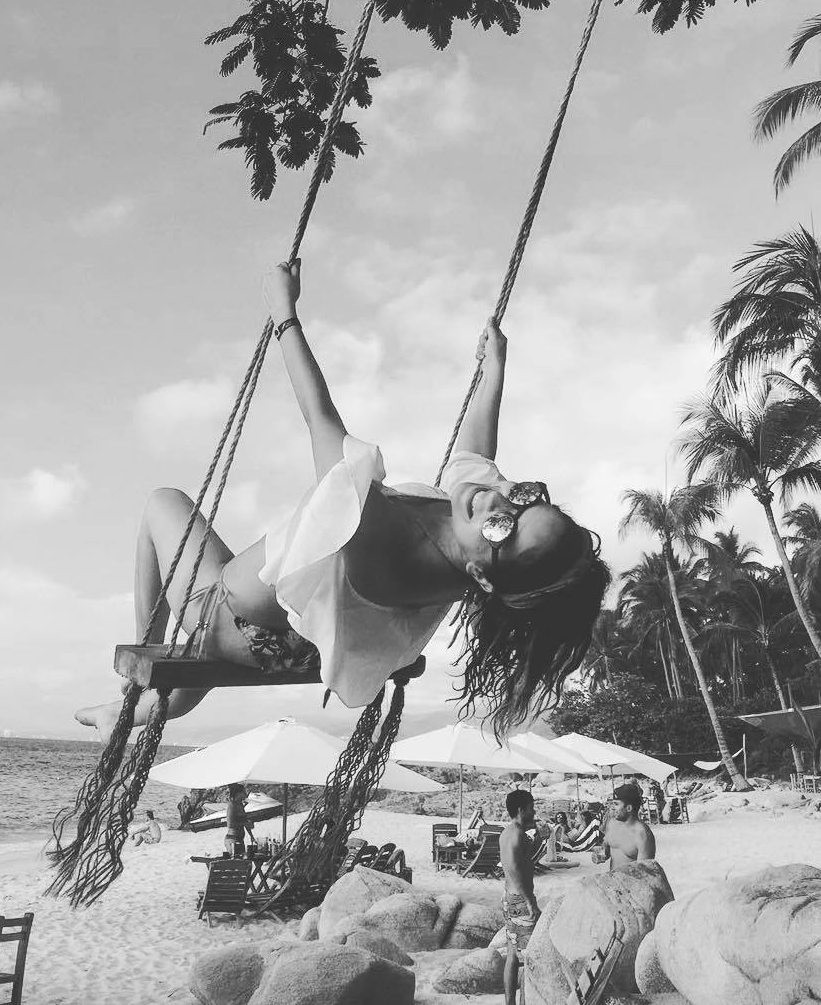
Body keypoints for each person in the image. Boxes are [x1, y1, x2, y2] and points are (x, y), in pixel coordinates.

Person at [75, 260, 611, 743]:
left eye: (504, 529)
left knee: (162, 504)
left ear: (485, 576)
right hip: (300, 638)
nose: (497, 504)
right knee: (215, 645)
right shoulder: (466, 539)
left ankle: (143, 662)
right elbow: (475, 455)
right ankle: (130, 712)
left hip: (229, 621)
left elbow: (322, 423)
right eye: (523, 498)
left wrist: (284, 314)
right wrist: (495, 369)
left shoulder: (379, 539)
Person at [500, 789, 540, 1005]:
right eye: (531, 808)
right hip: (520, 900)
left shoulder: (507, 833)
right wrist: (529, 901)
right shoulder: (518, 835)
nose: (534, 812)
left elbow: (519, 859)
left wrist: (537, 840)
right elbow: (515, 870)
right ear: (520, 810)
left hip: (508, 898)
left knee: (512, 955)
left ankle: (510, 1002)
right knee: (528, 956)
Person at [596, 785, 655, 870]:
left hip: (630, 879)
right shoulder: (612, 824)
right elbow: (606, 848)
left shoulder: (642, 835)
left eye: (616, 804)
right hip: (613, 877)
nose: (612, 808)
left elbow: (645, 872)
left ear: (628, 808)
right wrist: (601, 854)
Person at [224, 784, 255, 857]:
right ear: (238, 793)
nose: (245, 794)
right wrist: (245, 824)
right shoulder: (232, 805)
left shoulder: (240, 804)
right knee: (237, 861)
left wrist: (251, 836)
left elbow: (244, 820)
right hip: (232, 839)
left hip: (240, 839)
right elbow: (230, 824)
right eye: (243, 792)